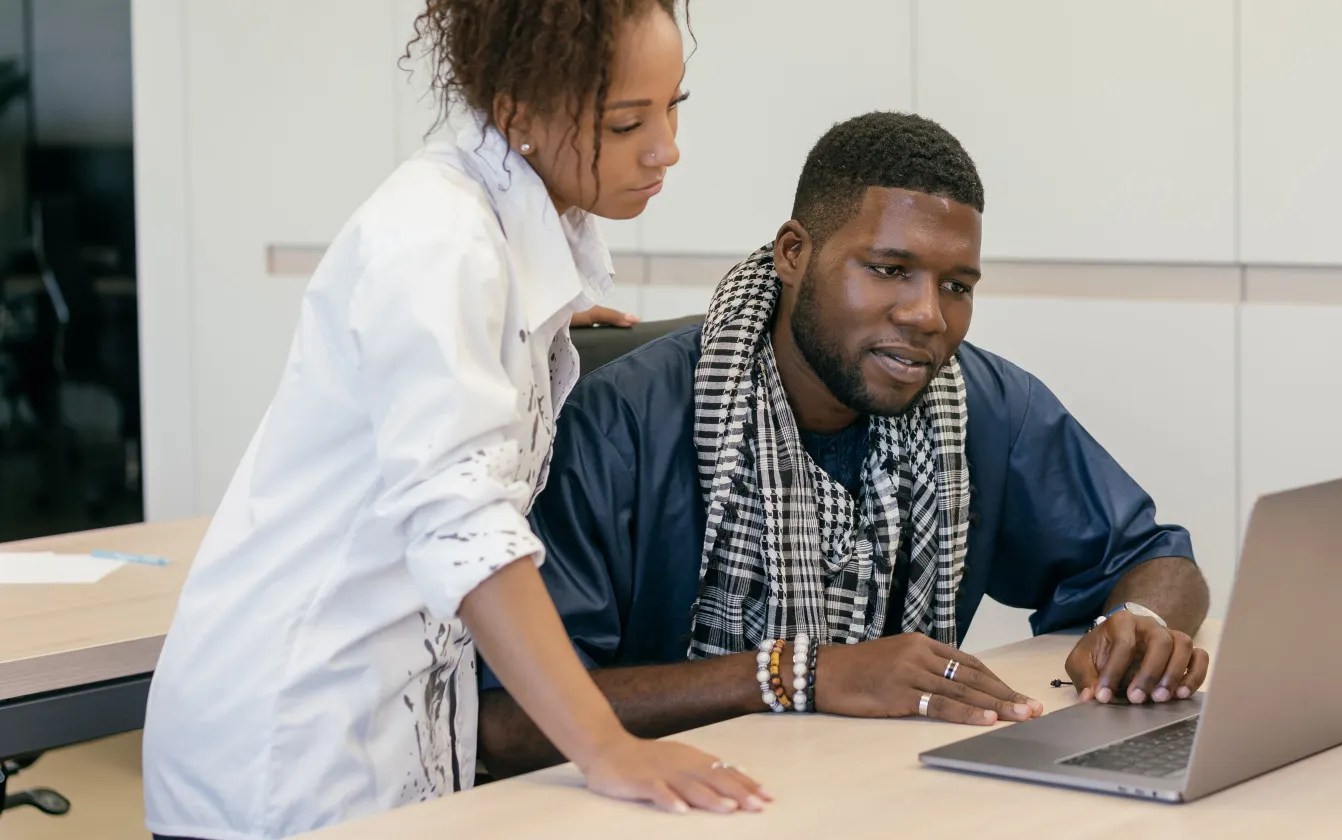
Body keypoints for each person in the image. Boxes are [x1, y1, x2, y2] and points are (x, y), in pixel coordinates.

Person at [141, 2, 770, 837]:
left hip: (390, 735)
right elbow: (464, 532)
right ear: (516, 112)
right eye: (626, 123)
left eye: (673, 106)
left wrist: (542, 333)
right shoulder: (439, 242)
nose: (666, 148)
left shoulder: (506, 233)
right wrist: (605, 746)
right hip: (293, 749)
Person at [475, 111, 1213, 778]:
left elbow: (1153, 558)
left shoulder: (979, 404)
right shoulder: (620, 420)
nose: (927, 315)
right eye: (889, 270)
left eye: (956, 285)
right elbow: (506, 722)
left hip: (875, 796)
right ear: (795, 253)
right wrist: (799, 673)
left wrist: (1142, 628)